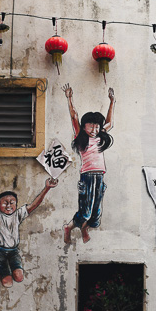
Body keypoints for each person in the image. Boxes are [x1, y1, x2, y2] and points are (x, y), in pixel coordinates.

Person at [0, 169, 58, 288]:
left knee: (19, 278)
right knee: (7, 283)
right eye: (5, 203)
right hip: (0, 251)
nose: (9, 205)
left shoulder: (18, 215)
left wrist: (47, 188)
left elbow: (34, 205)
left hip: (13, 251)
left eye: (12, 202)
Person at [62, 83, 115, 244]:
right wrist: (69, 99)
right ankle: (69, 227)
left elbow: (110, 123)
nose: (94, 129)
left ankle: (85, 228)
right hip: (87, 177)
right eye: (90, 126)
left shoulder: (100, 136)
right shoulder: (81, 137)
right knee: (85, 212)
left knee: (96, 214)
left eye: (97, 126)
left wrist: (112, 102)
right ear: (85, 127)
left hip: (99, 176)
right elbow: (74, 117)